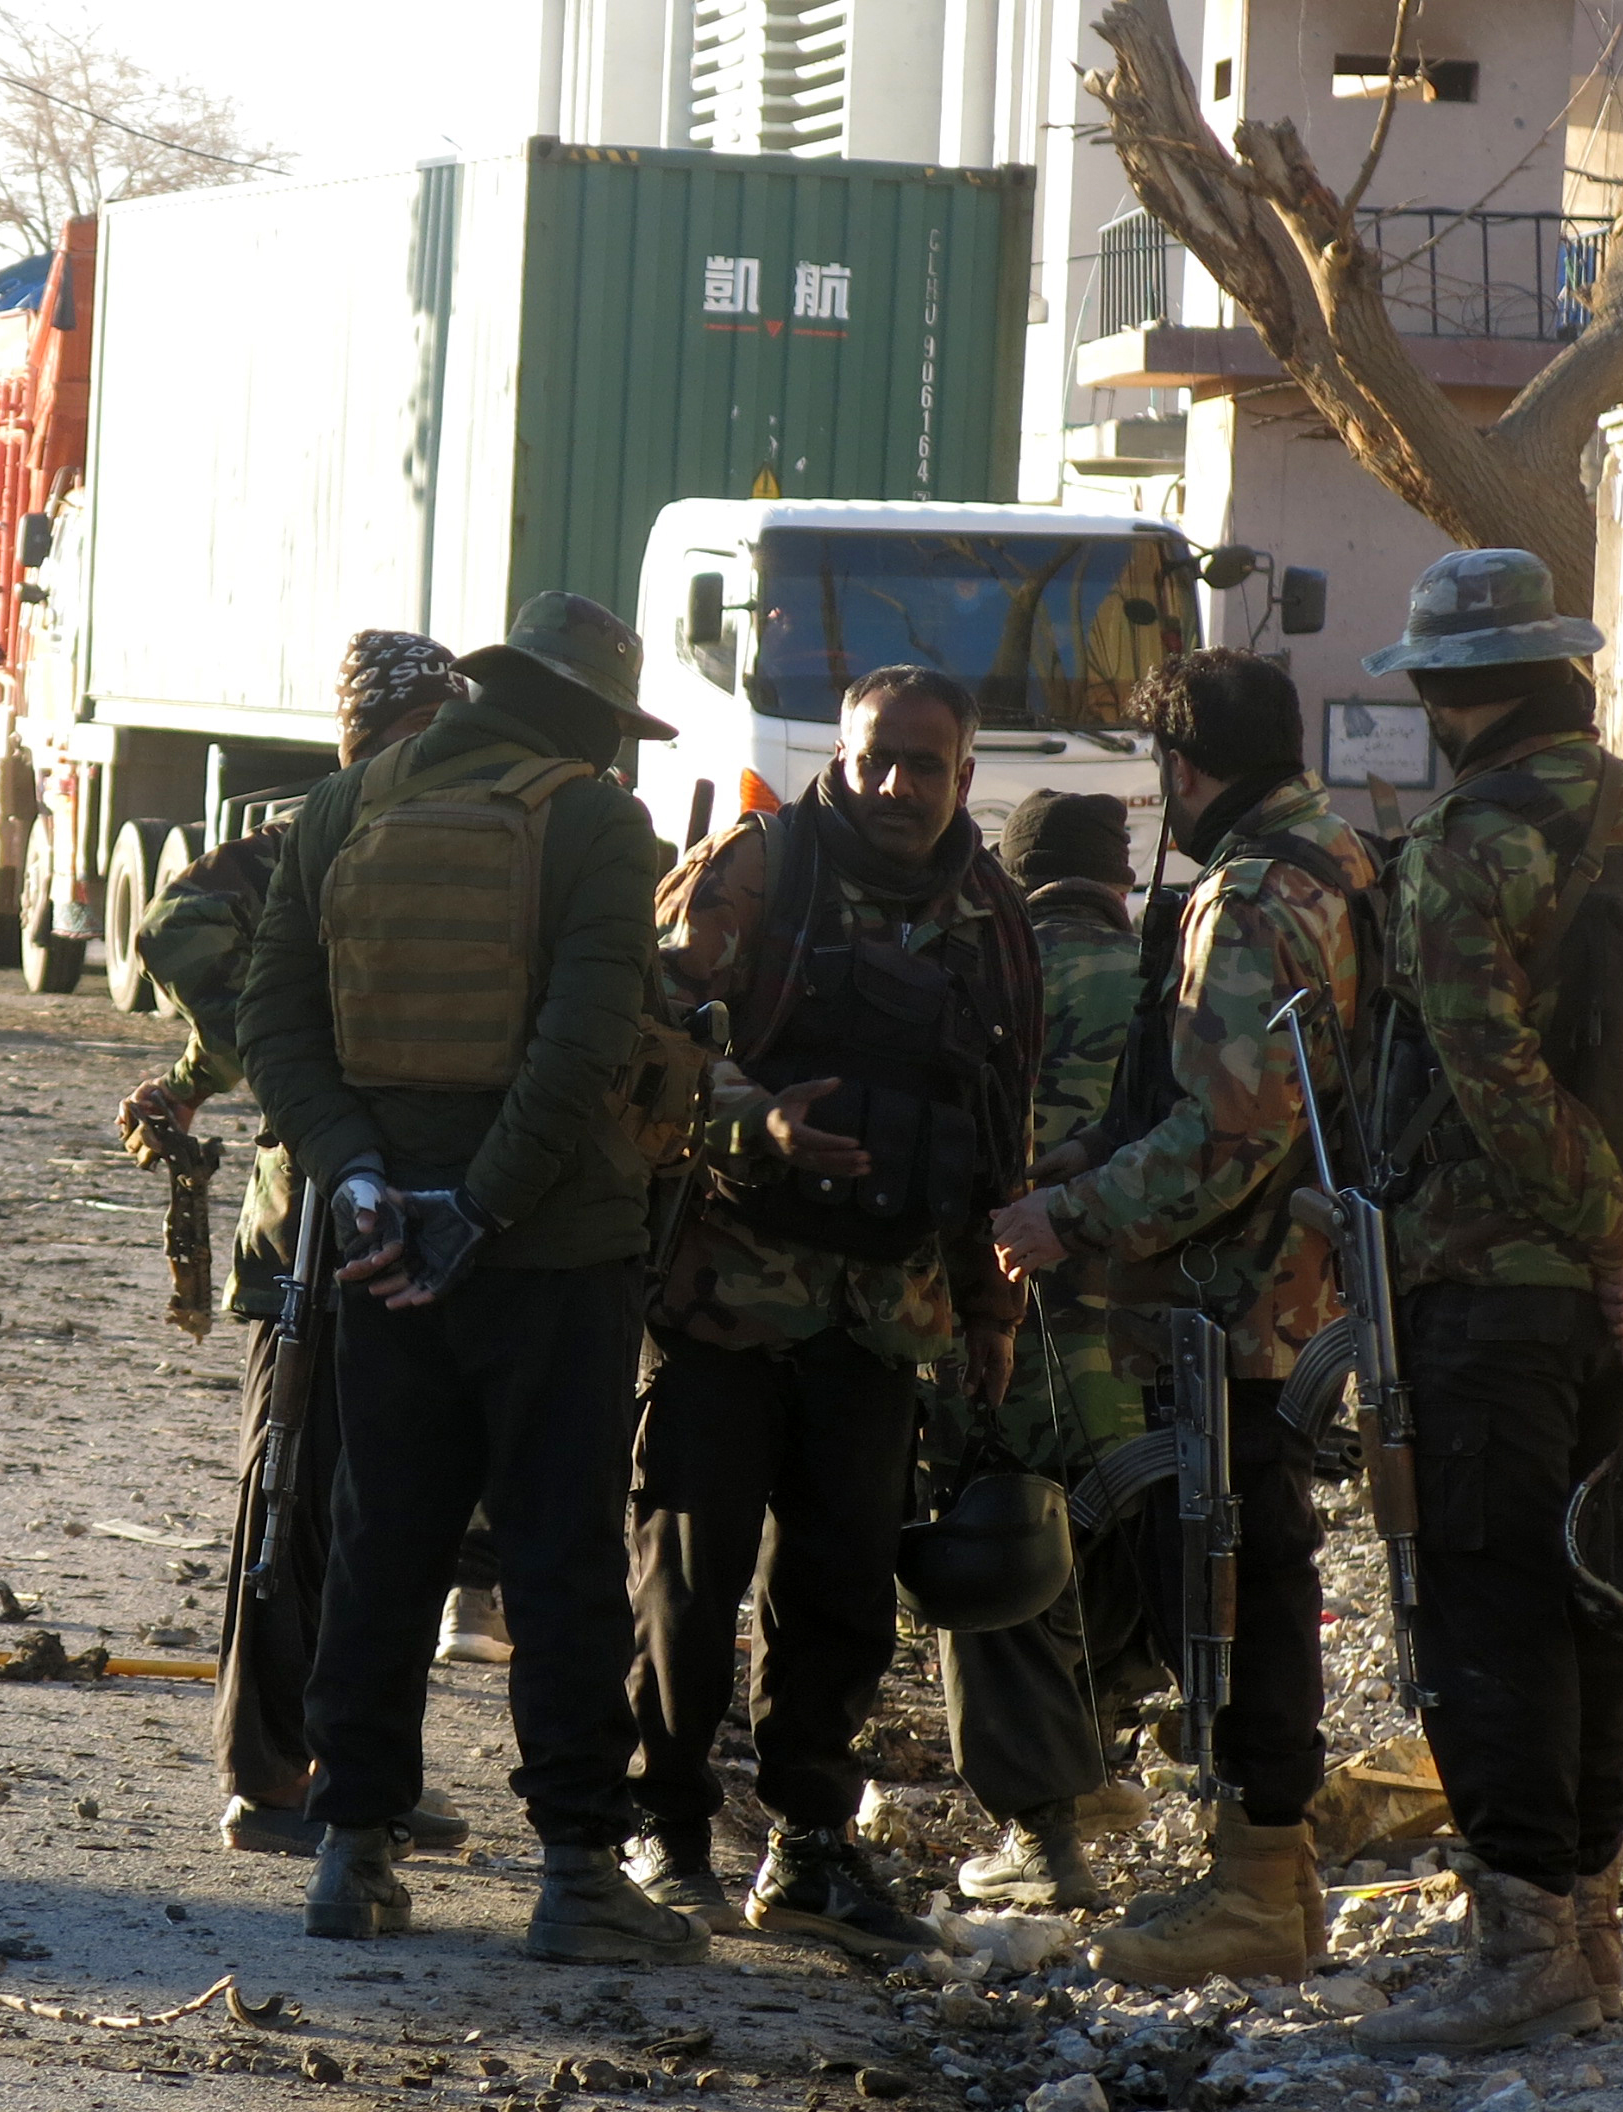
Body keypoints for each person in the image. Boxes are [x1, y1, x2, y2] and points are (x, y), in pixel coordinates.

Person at [1343, 550, 1623, 2058]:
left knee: (1492, 1599)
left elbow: (1489, 1075)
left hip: (1495, 1292)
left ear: (1456, 696)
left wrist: (1615, 1240)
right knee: (1601, 1599)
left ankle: (1526, 1941)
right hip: (1621, 1310)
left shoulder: (1467, 839)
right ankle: (1587, 1938)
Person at [237, 591, 707, 1966]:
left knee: (382, 1539)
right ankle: (575, 1871)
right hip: (550, 1253)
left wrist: (365, 1179)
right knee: (561, 1557)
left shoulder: (343, 810)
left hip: (379, 1253)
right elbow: (581, 1044)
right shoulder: (598, 823)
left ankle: (355, 1850)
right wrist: (481, 1208)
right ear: (590, 716)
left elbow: (275, 1019)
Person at [626, 664, 1040, 1957]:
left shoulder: (990, 917)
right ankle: (666, 1829)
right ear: (841, 760)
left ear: (965, 776)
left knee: (846, 1586)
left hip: (886, 1312)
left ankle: (809, 1843)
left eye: (926, 765)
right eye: (876, 761)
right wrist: (756, 1122)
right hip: (726, 1297)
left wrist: (987, 1310)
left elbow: (997, 1126)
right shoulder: (759, 873)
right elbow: (643, 1044)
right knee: (689, 1573)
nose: (898, 787)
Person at [990, 649, 1372, 1987]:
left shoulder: (1255, 893)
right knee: (1238, 1576)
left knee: (1235, 1585)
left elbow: (1226, 1135)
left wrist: (1075, 1214)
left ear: (1189, 767)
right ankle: (1262, 1870)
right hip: (1284, 1291)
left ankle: (1262, 1884)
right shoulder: (1339, 860)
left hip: (1237, 1311)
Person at [114, 630, 475, 1862]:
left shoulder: (441, 842)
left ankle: (358, 1764)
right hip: (308, 1231)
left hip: (407, 1221)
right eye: (422, 724)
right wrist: (284, 1073)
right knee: (289, 1512)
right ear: (375, 734)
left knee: (390, 1515)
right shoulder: (319, 831)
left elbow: (271, 989)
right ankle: (266, 1777)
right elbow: (178, 927)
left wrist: (194, 1073)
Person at [938, 789, 1166, 1909]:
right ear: (1118, 883)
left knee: (1001, 1550)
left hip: (1015, 1321)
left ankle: (1047, 1841)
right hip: (1163, 1334)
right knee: (1162, 1537)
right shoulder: (1173, 975)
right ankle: (1119, 1759)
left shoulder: (988, 971)